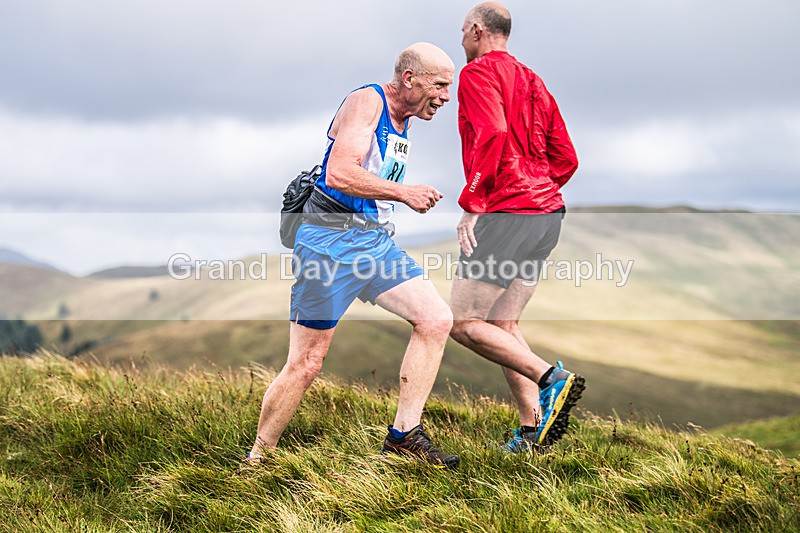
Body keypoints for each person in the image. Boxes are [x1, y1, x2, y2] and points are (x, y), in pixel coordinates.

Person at [249, 43, 459, 468]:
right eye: (439, 85)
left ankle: (403, 436)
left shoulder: (404, 118)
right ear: (409, 79)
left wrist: (394, 197)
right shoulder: (368, 101)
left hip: (373, 243)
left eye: (448, 87)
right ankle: (256, 460)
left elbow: (372, 172)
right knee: (307, 363)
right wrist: (405, 191)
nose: (445, 97)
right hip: (330, 242)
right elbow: (339, 173)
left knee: (435, 319)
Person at [449, 2, 585, 452]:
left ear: (475, 29)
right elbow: (566, 157)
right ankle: (532, 432)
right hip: (547, 215)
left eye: (462, 32)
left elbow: (491, 134)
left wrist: (475, 199)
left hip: (508, 212)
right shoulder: (533, 79)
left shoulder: (476, 74)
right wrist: (537, 188)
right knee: (502, 322)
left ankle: (553, 379)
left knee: (464, 323)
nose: (461, 40)